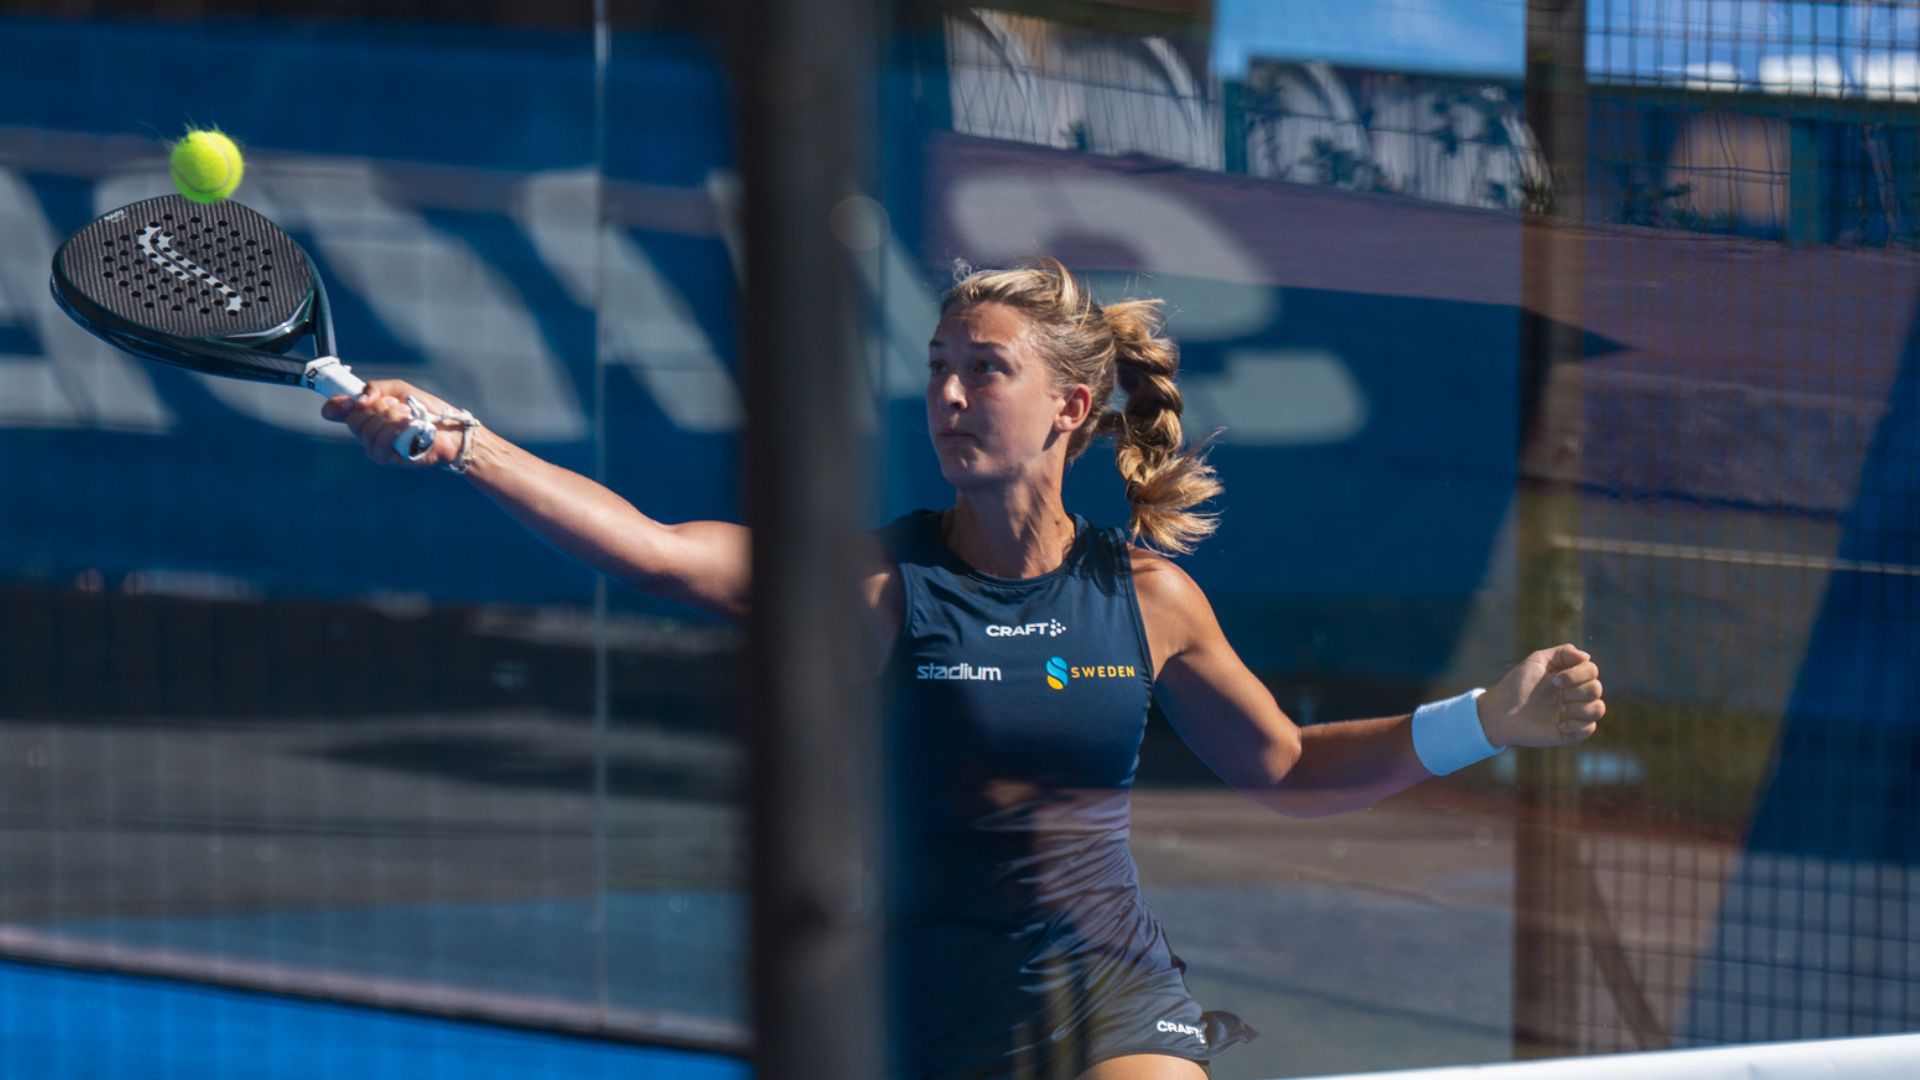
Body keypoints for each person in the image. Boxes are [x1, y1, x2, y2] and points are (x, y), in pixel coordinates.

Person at [324, 257, 1605, 1080]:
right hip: (919, 1018)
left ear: (1069, 411)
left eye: (983, 371)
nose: (947, 395)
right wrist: (465, 443)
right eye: (937, 371)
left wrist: (1485, 718)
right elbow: (665, 556)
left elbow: (1283, 767)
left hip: (1115, 999)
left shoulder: (1148, 596)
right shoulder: (880, 586)